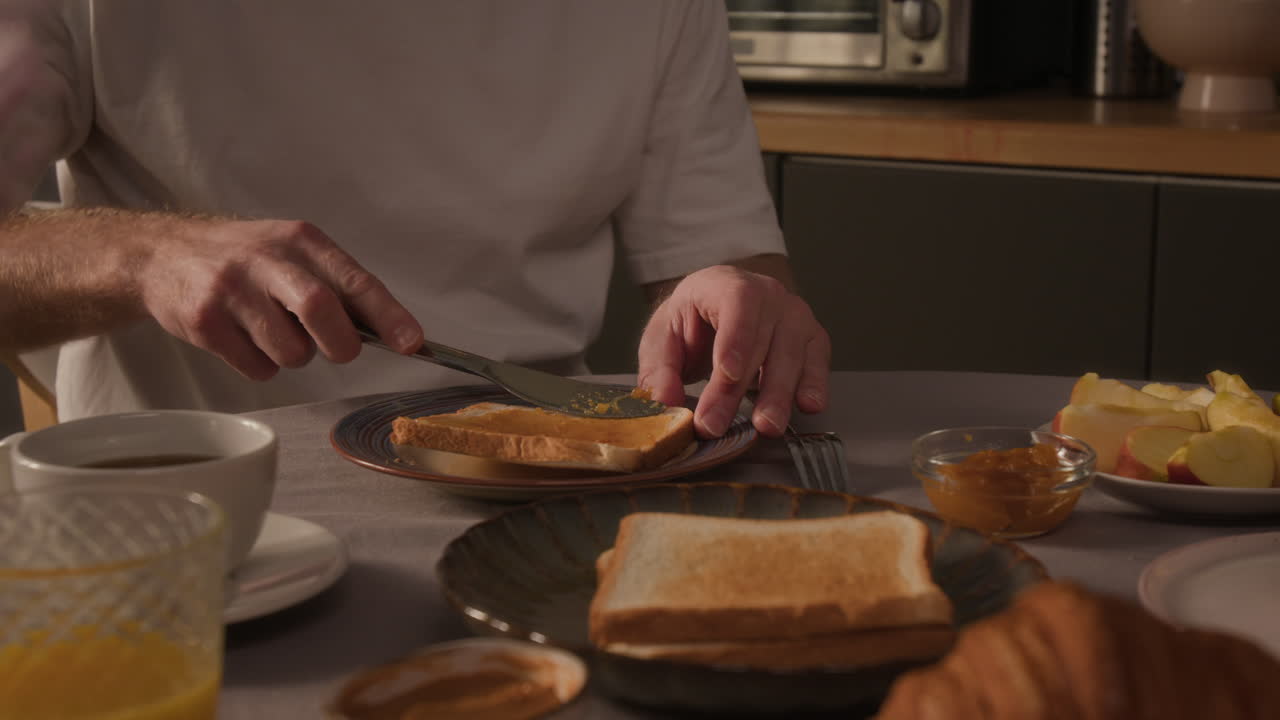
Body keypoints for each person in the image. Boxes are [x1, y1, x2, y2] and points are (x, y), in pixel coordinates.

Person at [0, 1, 830, 439]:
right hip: (191, 501)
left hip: (536, 484)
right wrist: (145, 256)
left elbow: (724, 260)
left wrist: (738, 300)